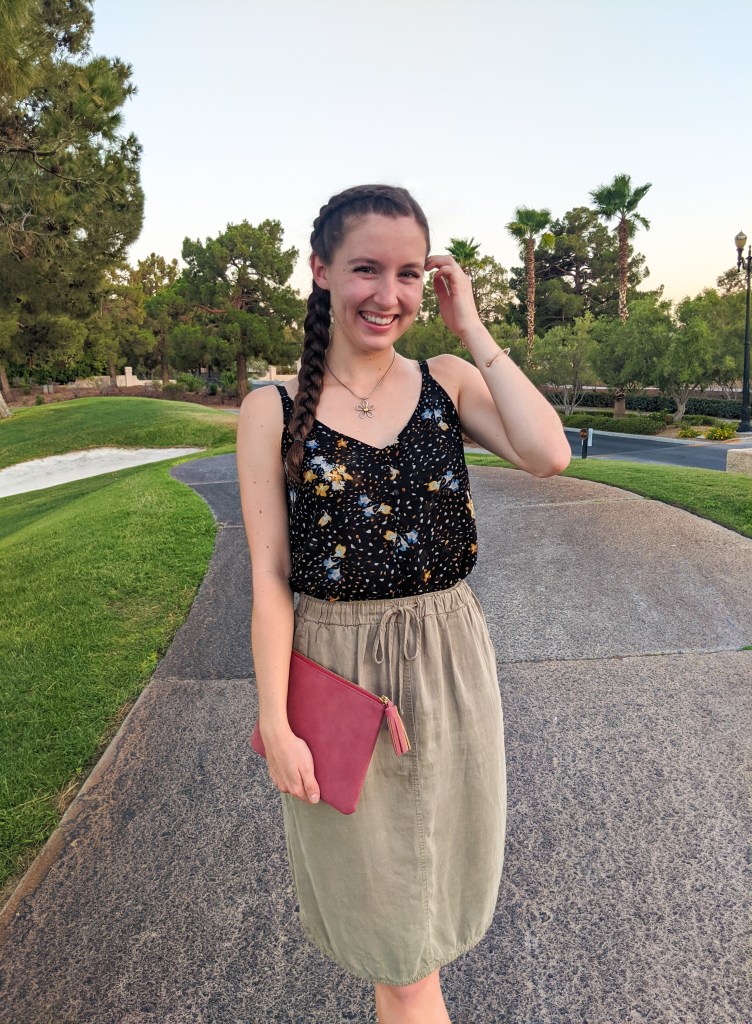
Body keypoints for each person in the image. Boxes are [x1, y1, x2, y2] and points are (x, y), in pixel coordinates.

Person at [236, 184, 571, 1024]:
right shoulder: (272, 408)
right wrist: (274, 720)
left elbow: (549, 453)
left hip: (452, 661)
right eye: (365, 270)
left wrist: (473, 330)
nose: (388, 294)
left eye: (409, 273)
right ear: (320, 272)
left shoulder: (447, 380)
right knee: (395, 938)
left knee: (424, 925)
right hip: (337, 674)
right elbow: (272, 578)